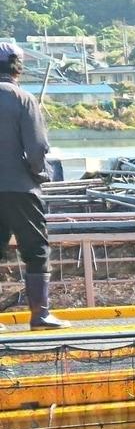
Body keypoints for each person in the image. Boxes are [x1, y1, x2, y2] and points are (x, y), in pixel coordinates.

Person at [0, 41, 67, 330]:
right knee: (36, 249)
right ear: (18, 66)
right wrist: (39, 173)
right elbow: (37, 149)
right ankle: (39, 315)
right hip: (20, 189)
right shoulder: (23, 99)